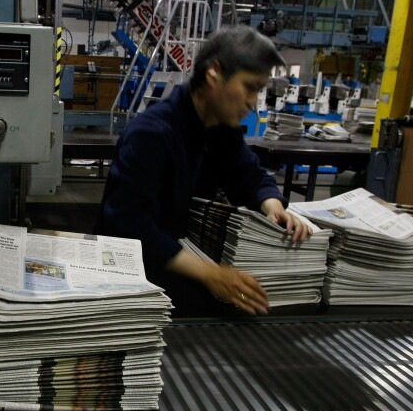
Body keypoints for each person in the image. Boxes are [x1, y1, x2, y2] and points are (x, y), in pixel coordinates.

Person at [95, 25, 311, 317]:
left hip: (176, 264)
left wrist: (272, 204)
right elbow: (129, 226)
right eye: (249, 87)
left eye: (258, 91)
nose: (252, 103)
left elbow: (247, 172)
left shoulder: (219, 130)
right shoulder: (151, 134)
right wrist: (210, 274)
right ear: (214, 74)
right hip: (131, 280)